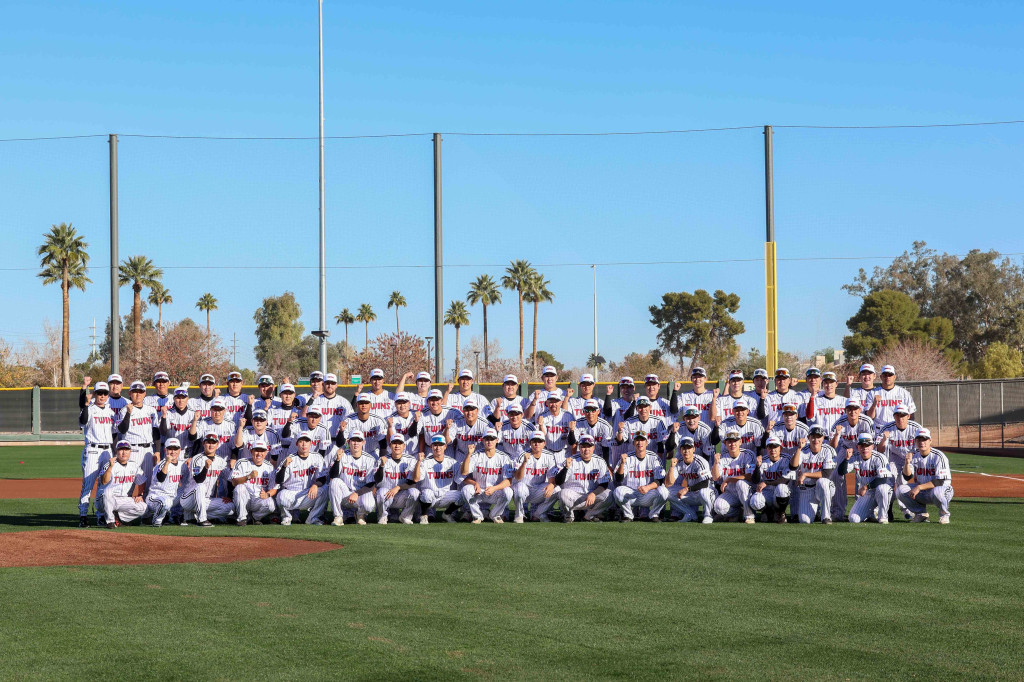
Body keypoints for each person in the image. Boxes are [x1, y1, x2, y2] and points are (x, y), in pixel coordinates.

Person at [78, 377, 114, 527]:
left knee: (104, 485)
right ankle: (83, 516)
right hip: (93, 450)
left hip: (108, 451)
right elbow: (83, 419)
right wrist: (85, 399)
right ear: (94, 393)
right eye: (99, 393)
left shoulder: (111, 411)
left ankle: (100, 515)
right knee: (88, 484)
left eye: (105, 393)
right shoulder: (89, 409)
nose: (102, 396)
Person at [878, 402, 924, 520]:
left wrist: (913, 454)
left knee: (903, 482)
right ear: (894, 416)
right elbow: (879, 449)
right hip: (893, 457)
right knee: (889, 480)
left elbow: (924, 445)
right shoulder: (886, 428)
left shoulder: (916, 428)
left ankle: (907, 510)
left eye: (903, 415)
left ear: (908, 416)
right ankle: (888, 508)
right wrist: (884, 439)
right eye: (898, 415)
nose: (900, 418)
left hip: (911, 458)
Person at [897, 428, 953, 524]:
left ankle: (944, 515)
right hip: (923, 491)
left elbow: (940, 481)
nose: (922, 442)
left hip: (942, 489)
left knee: (938, 492)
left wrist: (919, 487)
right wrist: (906, 463)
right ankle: (921, 514)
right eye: (919, 440)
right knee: (900, 490)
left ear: (930, 441)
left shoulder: (938, 456)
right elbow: (907, 477)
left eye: (924, 439)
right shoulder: (914, 456)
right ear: (915, 441)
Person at [553, 437, 613, 522]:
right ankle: (568, 515)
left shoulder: (600, 461)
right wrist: (566, 468)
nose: (586, 449)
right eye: (583, 447)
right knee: (563, 493)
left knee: (610, 495)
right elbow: (558, 481)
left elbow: (604, 484)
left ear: (593, 448)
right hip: (573, 496)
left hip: (591, 497)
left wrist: (593, 494)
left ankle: (590, 515)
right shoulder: (571, 460)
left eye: (589, 446)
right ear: (579, 448)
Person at [275, 433, 330, 526]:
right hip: (291, 494)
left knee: (325, 489)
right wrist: (284, 467)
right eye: (301, 441)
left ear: (311, 443)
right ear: (296, 444)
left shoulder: (317, 457)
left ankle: (312, 518)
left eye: (306, 441)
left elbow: (323, 477)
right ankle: (286, 517)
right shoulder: (290, 458)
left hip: (308, 494)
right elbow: (279, 480)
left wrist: (315, 485)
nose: (304, 444)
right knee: (280, 495)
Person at [612, 432, 668, 522]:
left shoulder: (654, 457)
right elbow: (619, 479)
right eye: (637, 440)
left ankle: (654, 515)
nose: (640, 443)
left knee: (664, 491)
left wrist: (648, 487)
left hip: (648, 493)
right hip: (631, 493)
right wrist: (622, 463)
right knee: (618, 491)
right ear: (633, 443)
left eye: (642, 440)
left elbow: (660, 480)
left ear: (647, 442)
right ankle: (628, 515)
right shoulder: (627, 457)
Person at [459, 433, 514, 523]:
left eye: (492, 439)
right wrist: (469, 454)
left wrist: (495, 488)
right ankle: (477, 516)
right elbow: (464, 473)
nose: (489, 441)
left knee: (508, 491)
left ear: (497, 440)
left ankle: (495, 515)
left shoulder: (504, 457)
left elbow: (508, 481)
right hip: (479, 491)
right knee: (466, 489)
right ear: (483, 440)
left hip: (495, 491)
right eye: (487, 439)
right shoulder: (476, 455)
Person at [116, 381, 161, 490]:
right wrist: (128, 413)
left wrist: (158, 451)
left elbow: (156, 431)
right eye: (135, 392)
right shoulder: (124, 411)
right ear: (130, 393)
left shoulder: (151, 410)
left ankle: (146, 507)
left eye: (140, 392)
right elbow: (122, 430)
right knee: (129, 484)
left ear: (144, 394)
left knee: (149, 483)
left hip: (148, 450)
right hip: (132, 449)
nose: (138, 394)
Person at [790, 425, 838, 524]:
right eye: (813, 437)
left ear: (823, 438)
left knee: (823, 482)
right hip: (807, 488)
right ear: (809, 438)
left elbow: (826, 473)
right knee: (804, 520)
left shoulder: (828, 450)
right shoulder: (803, 450)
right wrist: (798, 448)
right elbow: (793, 467)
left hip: (824, 487)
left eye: (818, 436)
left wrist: (805, 474)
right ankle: (815, 513)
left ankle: (826, 517)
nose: (816, 439)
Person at [179, 433, 229, 527]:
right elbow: (198, 480)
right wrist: (206, 468)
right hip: (189, 499)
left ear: (217, 444)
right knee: (200, 486)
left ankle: (193, 517)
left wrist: (229, 496)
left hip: (206, 500)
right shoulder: (196, 459)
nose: (210, 445)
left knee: (230, 507)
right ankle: (202, 520)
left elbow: (229, 478)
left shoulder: (221, 461)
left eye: (213, 442)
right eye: (208, 442)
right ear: (203, 444)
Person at [328, 432, 377, 526]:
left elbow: (371, 484)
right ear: (348, 442)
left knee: (369, 505)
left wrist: (356, 493)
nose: (356, 443)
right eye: (353, 440)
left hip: (360, 494)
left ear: (363, 442)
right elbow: (332, 475)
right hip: (345, 493)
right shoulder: (341, 455)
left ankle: (360, 515)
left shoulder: (370, 459)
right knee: (334, 482)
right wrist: (337, 460)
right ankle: (338, 516)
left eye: (359, 441)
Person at [665, 437, 715, 523]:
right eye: (684, 448)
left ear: (694, 449)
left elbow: (706, 483)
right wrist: (672, 467)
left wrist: (687, 489)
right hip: (692, 493)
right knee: (667, 492)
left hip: (707, 493)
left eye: (689, 448)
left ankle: (708, 515)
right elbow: (669, 483)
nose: (686, 451)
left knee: (704, 492)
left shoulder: (700, 462)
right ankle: (690, 514)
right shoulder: (679, 462)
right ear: (680, 450)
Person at [712, 429, 757, 523]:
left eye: (735, 441)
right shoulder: (722, 458)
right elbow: (715, 478)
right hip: (730, 493)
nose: (732, 444)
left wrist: (729, 479)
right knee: (718, 508)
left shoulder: (748, 454)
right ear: (725, 443)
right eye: (729, 441)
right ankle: (737, 512)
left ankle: (749, 515)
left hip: (747, 491)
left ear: (740, 442)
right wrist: (716, 463)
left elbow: (750, 476)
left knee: (741, 484)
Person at [513, 433, 560, 523]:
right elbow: (518, 478)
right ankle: (519, 514)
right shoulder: (522, 455)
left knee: (557, 489)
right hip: (523, 488)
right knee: (520, 488)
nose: (537, 444)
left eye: (539, 441)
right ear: (530, 443)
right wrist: (524, 463)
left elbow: (551, 477)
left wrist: (551, 484)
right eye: (534, 441)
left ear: (544, 443)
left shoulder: (549, 456)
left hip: (538, 489)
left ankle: (538, 514)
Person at [99, 440, 147, 528]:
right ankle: (110, 521)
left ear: (130, 452)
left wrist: (140, 494)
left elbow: (142, 481)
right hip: (105, 500)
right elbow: (104, 482)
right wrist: (110, 467)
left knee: (143, 507)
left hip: (123, 500)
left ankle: (119, 518)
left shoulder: (134, 465)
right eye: (121, 450)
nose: (124, 452)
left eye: (126, 450)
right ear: (116, 452)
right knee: (108, 491)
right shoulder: (109, 464)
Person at [375, 435, 422, 524]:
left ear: (404, 446)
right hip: (386, 494)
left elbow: (413, 482)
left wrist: (398, 487)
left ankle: (405, 516)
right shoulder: (382, 459)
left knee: (415, 492)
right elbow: (377, 479)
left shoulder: (411, 460)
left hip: (402, 494)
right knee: (381, 492)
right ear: (390, 445)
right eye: (394, 443)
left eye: (399, 443)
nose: (397, 446)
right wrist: (381, 466)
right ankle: (382, 516)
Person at [749, 436, 797, 523]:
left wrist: (766, 483)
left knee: (782, 488)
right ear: (766, 449)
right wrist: (757, 467)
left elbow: (784, 480)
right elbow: (755, 480)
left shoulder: (787, 459)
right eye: (770, 447)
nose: (773, 449)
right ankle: (767, 512)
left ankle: (780, 512)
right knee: (754, 501)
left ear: (780, 448)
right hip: (766, 493)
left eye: (775, 447)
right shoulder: (762, 460)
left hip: (782, 494)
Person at [848, 434, 894, 524]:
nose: (865, 448)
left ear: (872, 446)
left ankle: (883, 516)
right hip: (868, 494)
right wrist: (846, 459)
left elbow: (883, 480)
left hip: (884, 492)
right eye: (862, 445)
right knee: (853, 519)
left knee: (882, 488)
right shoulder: (855, 457)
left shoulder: (879, 458)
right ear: (857, 447)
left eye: (867, 445)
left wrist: (865, 487)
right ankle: (870, 514)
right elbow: (841, 472)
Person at [416, 434, 462, 524]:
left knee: (462, 495)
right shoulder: (425, 462)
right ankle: (424, 515)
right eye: (435, 445)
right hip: (430, 496)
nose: (438, 448)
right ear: (431, 447)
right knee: (426, 494)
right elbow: (417, 478)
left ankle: (447, 514)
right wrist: (418, 462)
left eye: (440, 445)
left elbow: (461, 477)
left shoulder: (452, 462)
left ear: (445, 446)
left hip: (445, 495)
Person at [229, 442, 278, 526]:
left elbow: (274, 488)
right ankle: (242, 518)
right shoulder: (242, 462)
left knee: (271, 505)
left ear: (266, 453)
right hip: (244, 499)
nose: (259, 453)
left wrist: (267, 494)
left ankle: (254, 518)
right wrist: (248, 477)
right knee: (239, 487)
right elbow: (234, 482)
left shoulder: (269, 467)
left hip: (258, 499)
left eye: (262, 451)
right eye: (256, 451)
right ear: (251, 451)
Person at [145, 437, 185, 527]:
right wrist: (167, 462)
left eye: (175, 449)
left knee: (187, 491)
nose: (173, 452)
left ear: (180, 450)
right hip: (156, 497)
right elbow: (161, 478)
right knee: (165, 502)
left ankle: (178, 515)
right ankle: (157, 521)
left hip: (172, 497)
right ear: (165, 450)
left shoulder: (182, 465)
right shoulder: (162, 464)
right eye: (170, 449)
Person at [337, 393, 389, 457]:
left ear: (370, 405)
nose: (364, 405)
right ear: (356, 405)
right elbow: (339, 444)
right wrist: (341, 431)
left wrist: (382, 459)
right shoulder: (348, 420)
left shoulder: (378, 421)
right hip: (353, 455)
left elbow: (383, 443)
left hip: (373, 453)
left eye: (366, 403)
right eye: (361, 403)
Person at [306, 373, 355, 438]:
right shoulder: (315, 401)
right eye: (327, 383)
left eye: (332, 383)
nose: (330, 386)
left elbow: (351, 420)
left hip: (337, 441)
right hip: (318, 440)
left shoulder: (344, 402)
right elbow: (306, 417)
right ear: (323, 384)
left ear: (336, 385)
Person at [534, 390, 574, 462]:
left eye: (556, 401)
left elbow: (573, 439)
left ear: (561, 402)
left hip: (564, 452)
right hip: (547, 452)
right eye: (551, 402)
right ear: (547, 403)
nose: (553, 404)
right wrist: (541, 426)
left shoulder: (568, 416)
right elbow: (541, 436)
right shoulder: (542, 416)